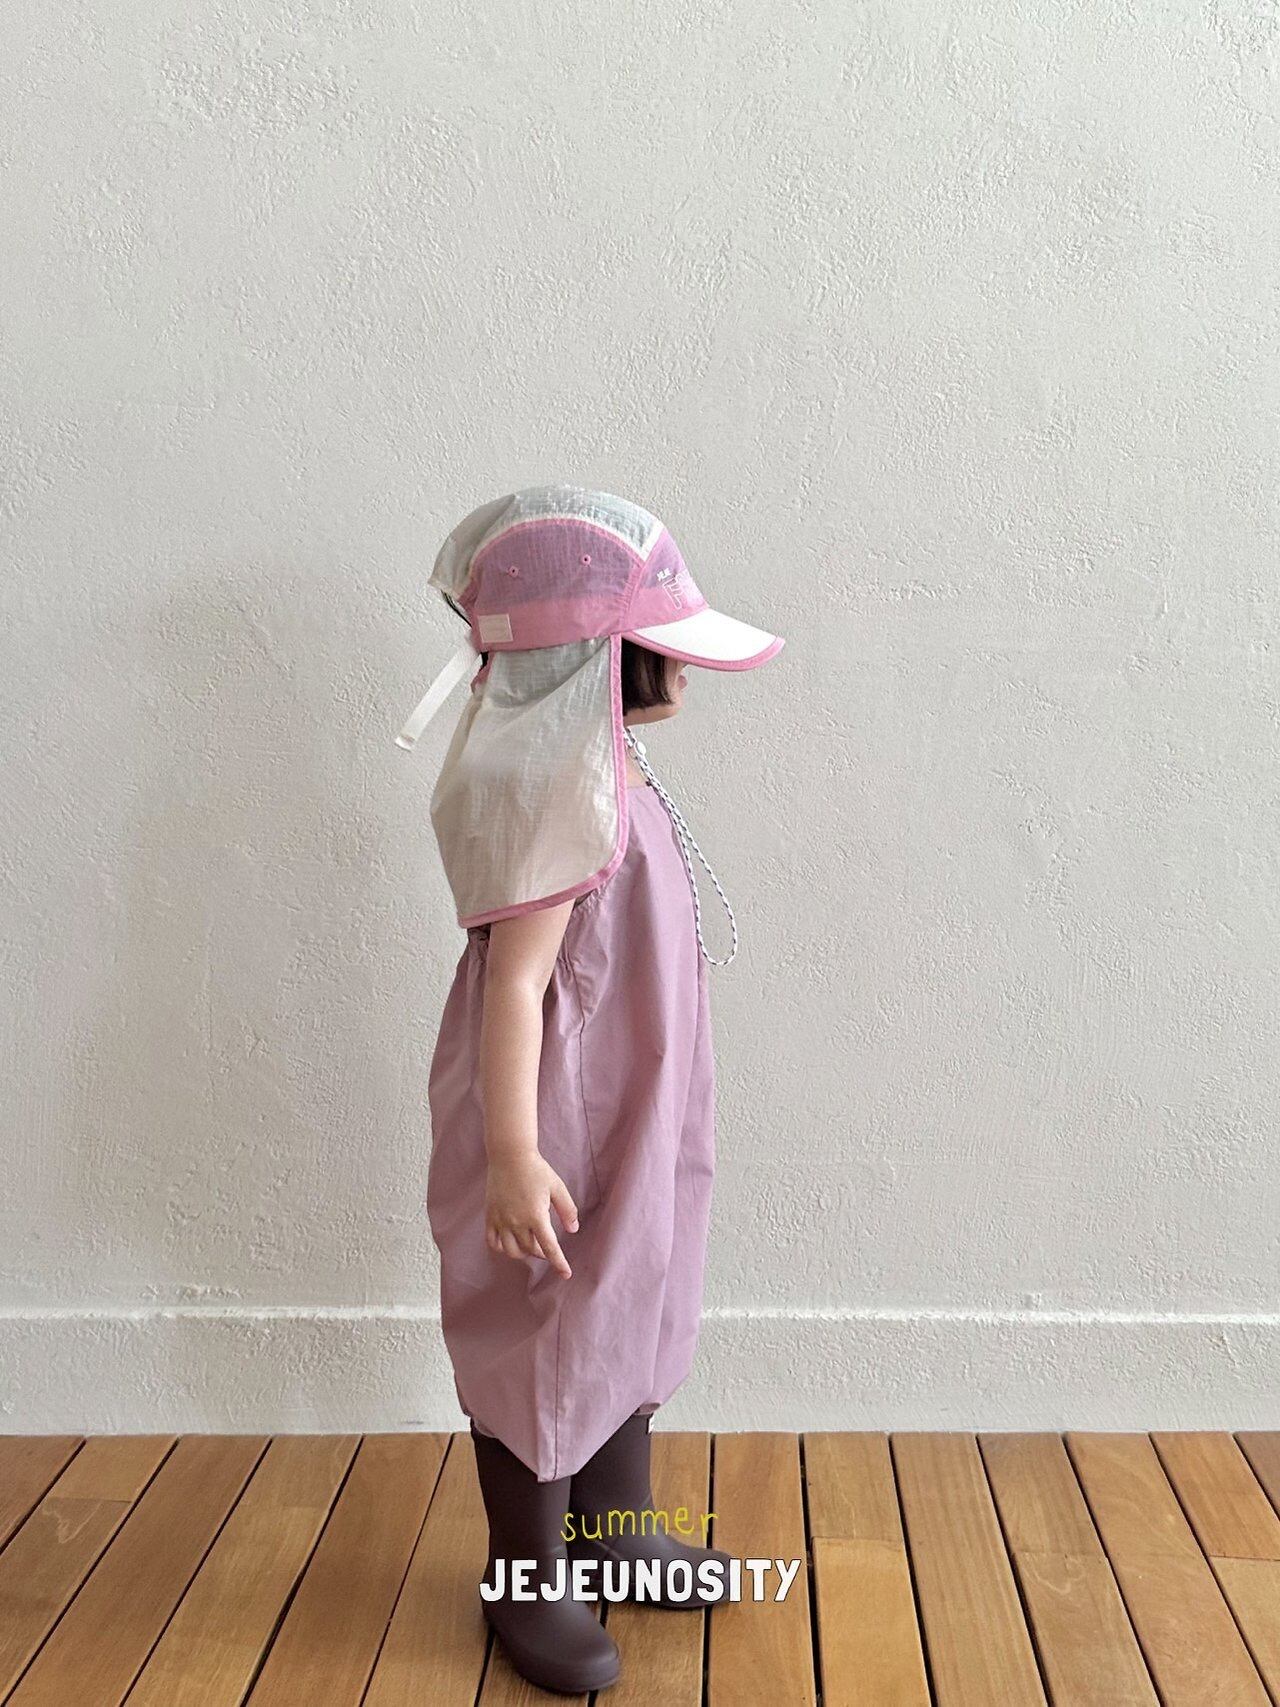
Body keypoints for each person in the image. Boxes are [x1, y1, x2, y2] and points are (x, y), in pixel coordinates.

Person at [396, 484, 784, 1694]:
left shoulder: (611, 768)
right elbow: (517, 986)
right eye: (657, 643)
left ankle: (614, 1536)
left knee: (631, 1296)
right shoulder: (553, 792)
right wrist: (512, 1154)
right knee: (546, 1324)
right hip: (553, 1107)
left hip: (631, 1096)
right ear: (587, 661)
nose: (683, 667)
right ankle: (527, 1573)